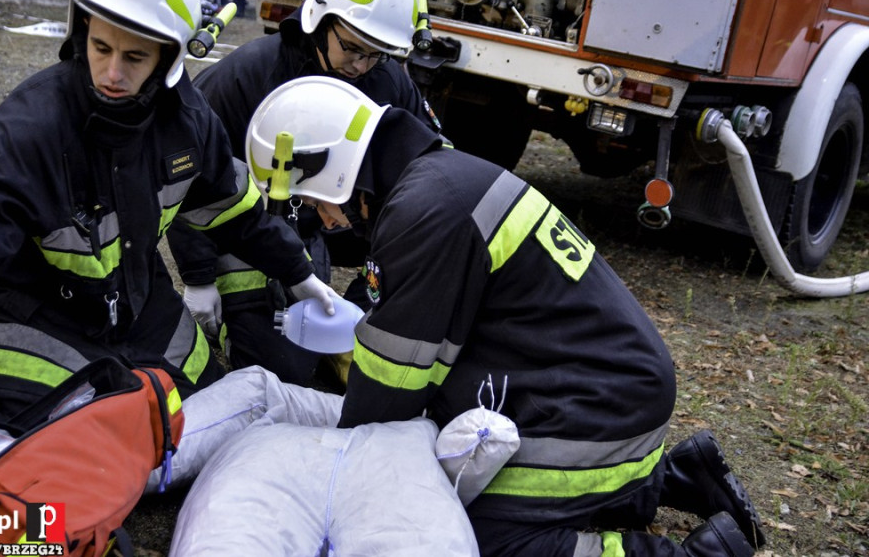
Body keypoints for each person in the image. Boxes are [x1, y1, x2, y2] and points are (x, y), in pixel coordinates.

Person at [244, 75, 767, 557]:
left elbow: (390, 390)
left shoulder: (424, 212)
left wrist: (338, 470)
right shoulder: (438, 180)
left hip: (597, 409)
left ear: (335, 168)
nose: (321, 216)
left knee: (477, 531)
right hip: (606, 388)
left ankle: (695, 553)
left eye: (312, 200)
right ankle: (674, 477)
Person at [0, 0, 337, 431]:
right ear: (81, 30)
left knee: (202, 406)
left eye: (135, 58)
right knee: (64, 428)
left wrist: (297, 271)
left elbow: (234, 210)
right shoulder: (36, 124)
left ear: (168, 60)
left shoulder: (189, 124)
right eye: (100, 48)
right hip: (37, 311)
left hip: (136, 303)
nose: (112, 72)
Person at [180, 0, 443, 388]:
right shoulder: (250, 75)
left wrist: (365, 308)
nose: (361, 66)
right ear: (320, 22)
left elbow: (429, 164)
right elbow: (186, 173)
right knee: (287, 369)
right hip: (250, 230)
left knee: (411, 251)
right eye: (353, 48)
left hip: (326, 225)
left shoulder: (385, 79)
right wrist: (197, 275)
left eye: (376, 54)